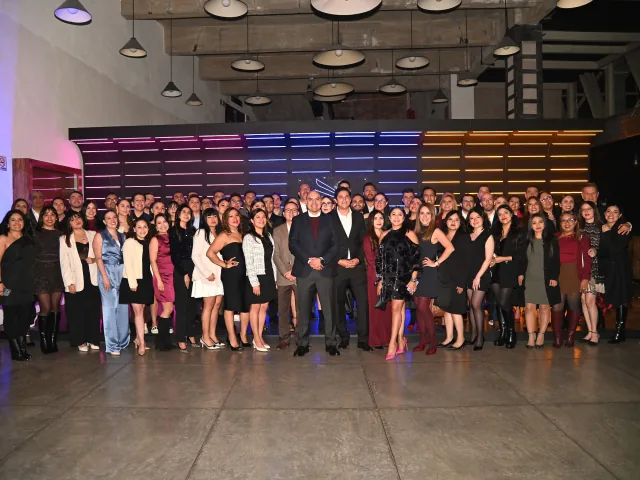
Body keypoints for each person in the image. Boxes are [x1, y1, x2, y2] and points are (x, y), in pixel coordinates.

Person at [289, 190, 339, 357]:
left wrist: (322, 260)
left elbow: (335, 244)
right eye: (310, 199)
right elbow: (293, 244)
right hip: (305, 270)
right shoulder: (298, 220)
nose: (314, 202)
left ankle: (331, 343)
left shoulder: (331, 220)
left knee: (329, 310)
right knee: (303, 310)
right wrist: (309, 260)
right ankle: (302, 344)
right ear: (306, 201)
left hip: (325, 270)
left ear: (321, 201)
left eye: (317, 199)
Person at [377, 207, 420, 360]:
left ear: (404, 217)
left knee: (396, 308)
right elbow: (380, 260)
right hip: (389, 278)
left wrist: (413, 280)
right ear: (389, 217)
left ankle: (392, 343)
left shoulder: (410, 234)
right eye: (393, 214)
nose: (396, 217)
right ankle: (401, 339)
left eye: (399, 214)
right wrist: (380, 280)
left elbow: (416, 260)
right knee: (399, 309)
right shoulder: (384, 235)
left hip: (404, 278)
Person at [331, 187, 370, 351]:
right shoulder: (328, 218)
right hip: (338, 267)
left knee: (362, 303)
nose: (344, 199)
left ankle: (363, 339)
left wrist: (358, 259)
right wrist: (338, 260)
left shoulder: (358, 217)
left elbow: (363, 241)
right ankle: (343, 337)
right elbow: (326, 244)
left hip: (356, 267)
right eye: (341, 197)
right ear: (336, 200)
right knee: (338, 304)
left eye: (347, 196)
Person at [413, 204, 454, 354]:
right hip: (416, 273)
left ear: (432, 216)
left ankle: (433, 340)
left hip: (429, 273)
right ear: (418, 215)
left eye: (428, 213)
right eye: (422, 213)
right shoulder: (415, 232)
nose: (425, 216)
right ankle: (423, 340)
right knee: (418, 307)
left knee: (423, 307)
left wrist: (436, 263)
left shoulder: (435, 231)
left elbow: (450, 248)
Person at [206, 207, 249, 351]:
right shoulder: (224, 235)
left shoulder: (243, 234)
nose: (235, 218)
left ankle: (243, 336)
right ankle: (232, 338)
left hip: (246, 274)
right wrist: (224, 264)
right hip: (232, 275)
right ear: (225, 219)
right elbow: (210, 253)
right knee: (231, 305)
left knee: (245, 306)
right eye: (231, 216)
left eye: (237, 215)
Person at [60, 211, 100, 352]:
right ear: (69, 223)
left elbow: (101, 255)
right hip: (75, 279)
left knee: (93, 311)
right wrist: (69, 282)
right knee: (76, 312)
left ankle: (93, 339)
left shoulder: (93, 235)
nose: (76, 220)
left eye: (78, 217)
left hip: (92, 277)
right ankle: (80, 340)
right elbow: (64, 263)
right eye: (72, 219)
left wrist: (94, 260)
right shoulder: (64, 239)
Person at [552, 212, 591, 348]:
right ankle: (557, 337)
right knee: (557, 306)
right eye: (563, 220)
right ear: (560, 223)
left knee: (574, 305)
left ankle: (570, 336)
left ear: (575, 222)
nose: (567, 223)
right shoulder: (554, 237)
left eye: (570, 220)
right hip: (558, 274)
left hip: (575, 274)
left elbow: (587, 260)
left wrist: (585, 278)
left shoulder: (582, 238)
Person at [0, 210, 35, 361]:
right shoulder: (3, 238)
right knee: (10, 317)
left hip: (27, 284)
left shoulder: (28, 239)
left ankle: (21, 349)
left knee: (24, 317)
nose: (16, 223)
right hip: (8, 285)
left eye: (20, 219)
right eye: (13, 220)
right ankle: (16, 351)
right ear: (8, 223)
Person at [522, 213, 560, 349]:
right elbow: (522, 260)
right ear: (530, 225)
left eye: (540, 222)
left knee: (544, 307)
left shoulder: (552, 240)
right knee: (529, 308)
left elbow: (556, 260)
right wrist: (520, 274)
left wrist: (554, 277)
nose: (537, 225)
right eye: (534, 223)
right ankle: (531, 335)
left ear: (545, 223)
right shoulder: (527, 240)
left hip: (546, 278)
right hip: (530, 278)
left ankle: (541, 334)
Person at [93, 211, 128, 356]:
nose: (112, 220)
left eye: (114, 217)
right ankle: (112, 345)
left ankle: (123, 341)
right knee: (109, 309)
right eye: (109, 218)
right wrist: (104, 277)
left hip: (122, 273)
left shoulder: (122, 235)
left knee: (123, 308)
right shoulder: (100, 236)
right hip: (107, 272)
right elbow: (98, 258)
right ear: (104, 221)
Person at [243, 209, 277, 352]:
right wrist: (254, 282)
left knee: (264, 307)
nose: (261, 219)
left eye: (263, 217)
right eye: (258, 217)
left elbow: (272, 258)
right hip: (256, 276)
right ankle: (256, 338)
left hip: (268, 274)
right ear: (252, 220)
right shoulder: (249, 238)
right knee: (255, 307)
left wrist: (275, 278)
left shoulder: (268, 236)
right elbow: (248, 262)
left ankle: (260, 337)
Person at [491, 205, 525, 349]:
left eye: (506, 212)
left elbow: (522, 255)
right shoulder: (495, 232)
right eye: (499, 214)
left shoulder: (519, 231)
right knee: (499, 303)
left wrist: (502, 258)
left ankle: (511, 333)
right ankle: (503, 332)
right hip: (495, 270)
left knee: (505, 303)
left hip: (510, 270)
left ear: (512, 214)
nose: (503, 216)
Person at [436, 211, 470, 350]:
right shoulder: (442, 235)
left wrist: (461, 283)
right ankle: (449, 337)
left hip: (457, 279)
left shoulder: (463, 237)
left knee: (456, 310)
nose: (453, 222)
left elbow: (466, 262)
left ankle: (461, 338)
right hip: (444, 278)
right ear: (446, 221)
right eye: (450, 219)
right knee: (447, 310)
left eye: (457, 219)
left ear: (461, 222)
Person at [599, 204, 633, 344]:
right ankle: (604, 328)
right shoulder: (601, 227)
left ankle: (620, 331)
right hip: (606, 269)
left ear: (619, 215)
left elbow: (614, 249)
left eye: (615, 212)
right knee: (608, 298)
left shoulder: (622, 228)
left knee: (621, 298)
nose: (611, 214)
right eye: (608, 211)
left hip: (620, 268)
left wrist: (607, 233)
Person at [191, 208, 225, 349]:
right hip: (205, 275)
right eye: (209, 217)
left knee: (217, 304)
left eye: (214, 216)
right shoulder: (201, 233)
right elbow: (195, 256)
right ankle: (205, 337)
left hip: (218, 274)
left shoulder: (219, 233)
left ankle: (212, 334)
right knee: (208, 305)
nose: (213, 219)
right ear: (204, 219)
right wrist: (206, 273)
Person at [33, 206, 64, 354]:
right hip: (40, 274)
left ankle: (52, 340)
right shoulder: (35, 234)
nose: (49, 217)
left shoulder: (61, 235)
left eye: (52, 214)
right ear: (42, 218)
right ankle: (44, 341)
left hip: (57, 273)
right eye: (46, 215)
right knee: (45, 307)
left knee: (55, 307)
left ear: (56, 217)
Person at [121, 218, 154, 356]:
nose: (142, 230)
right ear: (134, 229)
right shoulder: (129, 242)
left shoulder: (148, 242)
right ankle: (142, 342)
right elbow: (127, 263)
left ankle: (137, 339)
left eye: (145, 226)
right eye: (139, 227)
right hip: (133, 280)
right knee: (138, 311)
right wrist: (132, 283)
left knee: (142, 310)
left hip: (146, 279)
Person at [170, 205, 198, 352]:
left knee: (192, 305)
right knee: (182, 306)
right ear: (178, 214)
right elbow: (175, 255)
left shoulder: (193, 231)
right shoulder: (173, 231)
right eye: (183, 212)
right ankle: (181, 338)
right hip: (181, 269)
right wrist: (185, 273)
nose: (186, 214)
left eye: (189, 212)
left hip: (195, 268)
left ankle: (191, 334)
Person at [465, 210, 495, 351]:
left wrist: (478, 277)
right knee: (471, 305)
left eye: (478, 217)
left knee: (476, 305)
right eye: (472, 218)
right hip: (469, 274)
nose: (475, 220)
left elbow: (488, 259)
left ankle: (480, 337)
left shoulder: (488, 235)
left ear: (483, 218)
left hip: (481, 275)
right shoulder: (468, 236)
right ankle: (473, 335)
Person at [273, 201, 300, 350]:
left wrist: (295, 270)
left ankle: (300, 337)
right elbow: (275, 254)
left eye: (294, 210)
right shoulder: (277, 230)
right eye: (288, 210)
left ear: (298, 213)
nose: (291, 212)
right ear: (283, 214)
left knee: (301, 308)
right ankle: (284, 338)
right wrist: (285, 271)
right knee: (283, 309)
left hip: (299, 274)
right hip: (283, 275)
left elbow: (306, 252)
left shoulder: (304, 229)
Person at [578, 201, 604, 345]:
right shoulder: (579, 228)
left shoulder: (602, 227)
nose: (586, 211)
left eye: (589, 208)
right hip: (581, 269)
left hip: (594, 269)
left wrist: (596, 251)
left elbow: (607, 247)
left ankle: (595, 333)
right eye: (583, 209)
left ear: (594, 210)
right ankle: (590, 331)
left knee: (590, 301)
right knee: (583, 300)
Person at [149, 213, 175, 351]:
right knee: (168, 309)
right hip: (162, 277)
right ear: (155, 225)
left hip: (173, 276)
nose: (162, 225)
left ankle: (165, 341)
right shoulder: (155, 239)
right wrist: (158, 280)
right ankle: (161, 342)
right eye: (159, 223)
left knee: (169, 309)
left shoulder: (172, 237)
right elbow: (153, 261)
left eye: (164, 221)